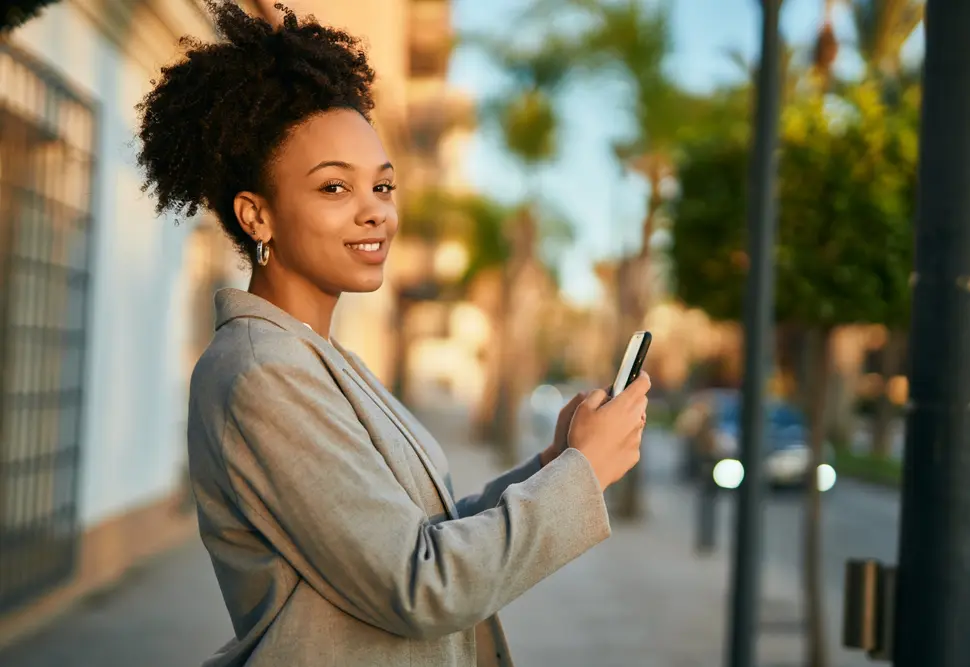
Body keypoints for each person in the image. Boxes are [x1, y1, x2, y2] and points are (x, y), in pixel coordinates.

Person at [135, 2, 649, 666]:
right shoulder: (263, 371)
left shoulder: (318, 356)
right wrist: (581, 476)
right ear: (256, 215)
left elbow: (420, 534)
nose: (374, 210)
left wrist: (552, 465)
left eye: (382, 185)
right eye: (333, 188)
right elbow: (422, 584)